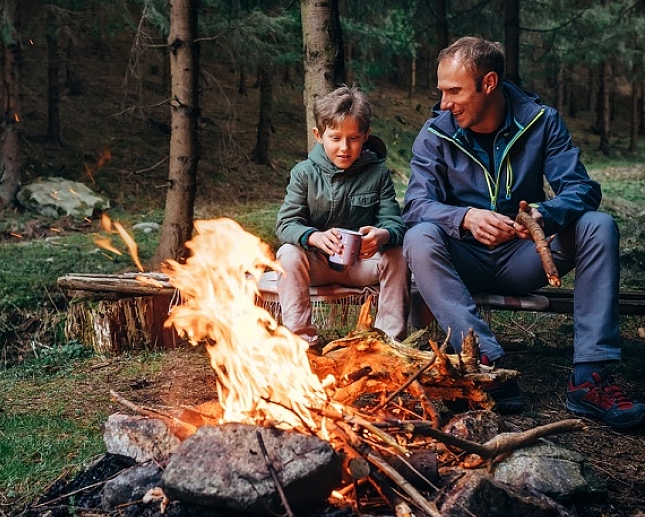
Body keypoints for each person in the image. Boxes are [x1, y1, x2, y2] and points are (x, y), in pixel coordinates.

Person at [402, 36, 645, 429]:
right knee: (419, 237)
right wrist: (465, 218)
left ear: (489, 83)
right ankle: (487, 365)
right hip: (462, 259)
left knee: (598, 226)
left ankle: (590, 379)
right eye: (441, 91)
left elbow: (583, 189)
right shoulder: (435, 134)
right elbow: (415, 205)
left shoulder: (541, 121)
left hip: (524, 257)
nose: (444, 102)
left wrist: (542, 215)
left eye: (454, 91)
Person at [275, 85, 409, 348]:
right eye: (335, 138)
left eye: (354, 139)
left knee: (398, 253)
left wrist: (382, 235)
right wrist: (313, 237)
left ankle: (388, 343)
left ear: (366, 136)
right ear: (319, 135)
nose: (344, 148)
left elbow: (395, 224)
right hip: (318, 265)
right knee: (288, 254)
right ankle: (302, 344)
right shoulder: (304, 174)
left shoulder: (377, 174)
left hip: (362, 264)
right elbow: (286, 224)